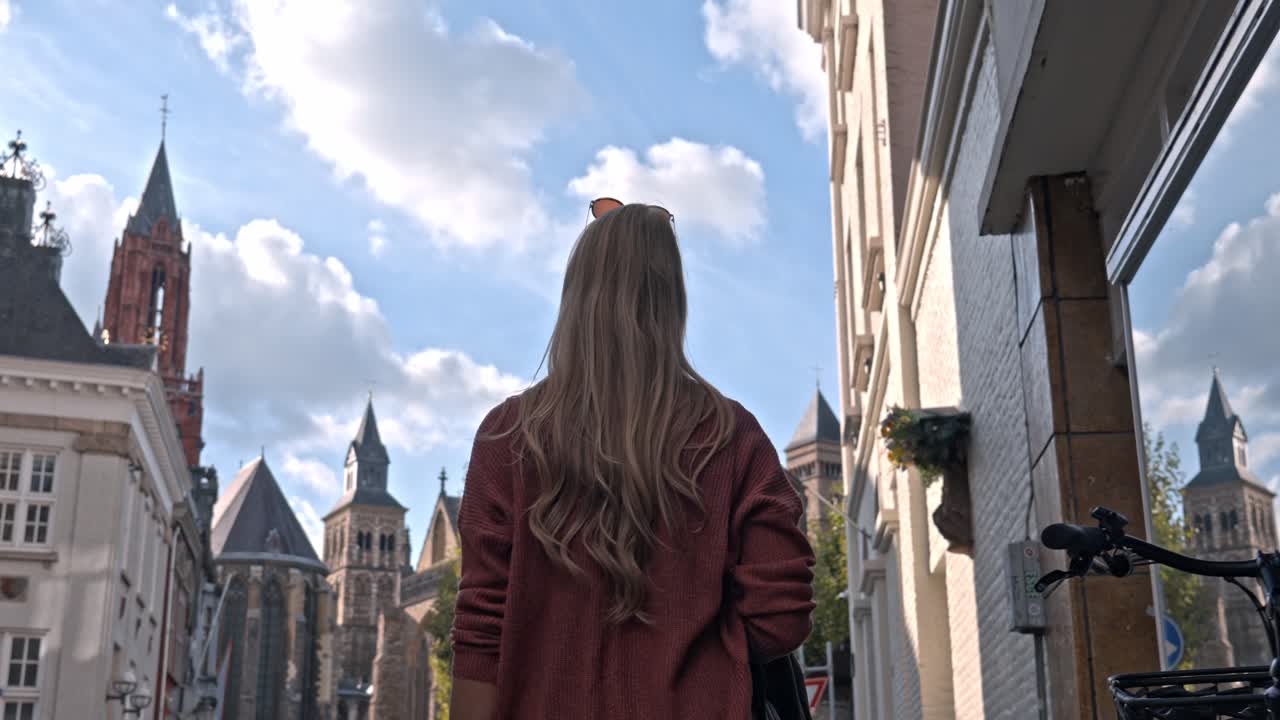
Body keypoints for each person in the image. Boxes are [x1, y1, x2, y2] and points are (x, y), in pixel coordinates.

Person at [449, 200, 816, 719]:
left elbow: (480, 634)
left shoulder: (507, 436)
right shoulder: (733, 438)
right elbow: (781, 618)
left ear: (575, 298)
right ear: (673, 301)